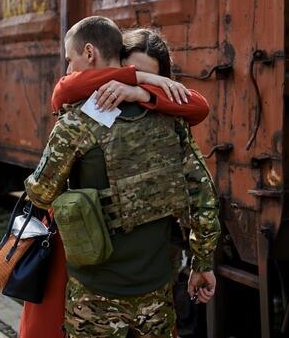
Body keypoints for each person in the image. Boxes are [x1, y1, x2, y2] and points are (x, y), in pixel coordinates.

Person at [23, 18, 220, 337]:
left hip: (94, 293)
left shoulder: (77, 121)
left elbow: (42, 192)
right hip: (155, 289)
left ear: (91, 54)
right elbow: (204, 198)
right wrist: (203, 263)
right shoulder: (171, 123)